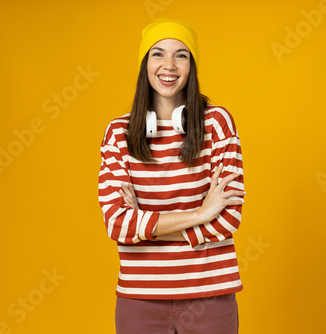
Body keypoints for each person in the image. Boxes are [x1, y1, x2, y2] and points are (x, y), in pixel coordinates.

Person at [98, 17, 245, 334]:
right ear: (144, 64)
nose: (170, 65)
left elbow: (229, 218)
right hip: (140, 300)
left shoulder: (217, 124)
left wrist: (144, 226)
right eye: (158, 53)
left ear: (192, 66)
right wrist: (202, 213)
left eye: (181, 55)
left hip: (210, 295)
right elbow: (117, 224)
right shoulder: (118, 133)